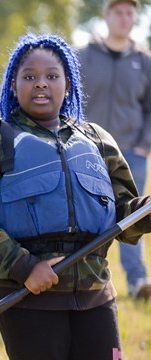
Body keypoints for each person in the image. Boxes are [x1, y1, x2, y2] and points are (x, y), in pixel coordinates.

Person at [0, 33, 151, 359]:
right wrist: (25, 267)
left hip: (94, 294)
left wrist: (144, 212)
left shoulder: (97, 140)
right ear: (13, 86)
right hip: (26, 295)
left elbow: (124, 217)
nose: (41, 84)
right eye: (29, 77)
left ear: (69, 84)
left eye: (52, 76)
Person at [77, 0, 151, 300]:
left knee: (133, 214)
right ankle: (84, 278)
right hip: (87, 152)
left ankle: (138, 281)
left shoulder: (144, 60)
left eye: (129, 13)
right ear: (106, 16)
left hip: (132, 153)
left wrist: (144, 145)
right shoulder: (84, 55)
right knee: (86, 214)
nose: (124, 18)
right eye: (117, 12)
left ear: (135, 17)